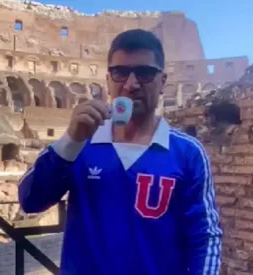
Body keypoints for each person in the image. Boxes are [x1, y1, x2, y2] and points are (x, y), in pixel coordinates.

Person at [18, 29, 222, 275]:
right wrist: (70, 140)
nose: (131, 84)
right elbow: (30, 200)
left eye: (145, 73)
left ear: (163, 82)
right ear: (108, 80)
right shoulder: (80, 144)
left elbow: (205, 236)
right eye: (120, 72)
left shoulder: (188, 153)